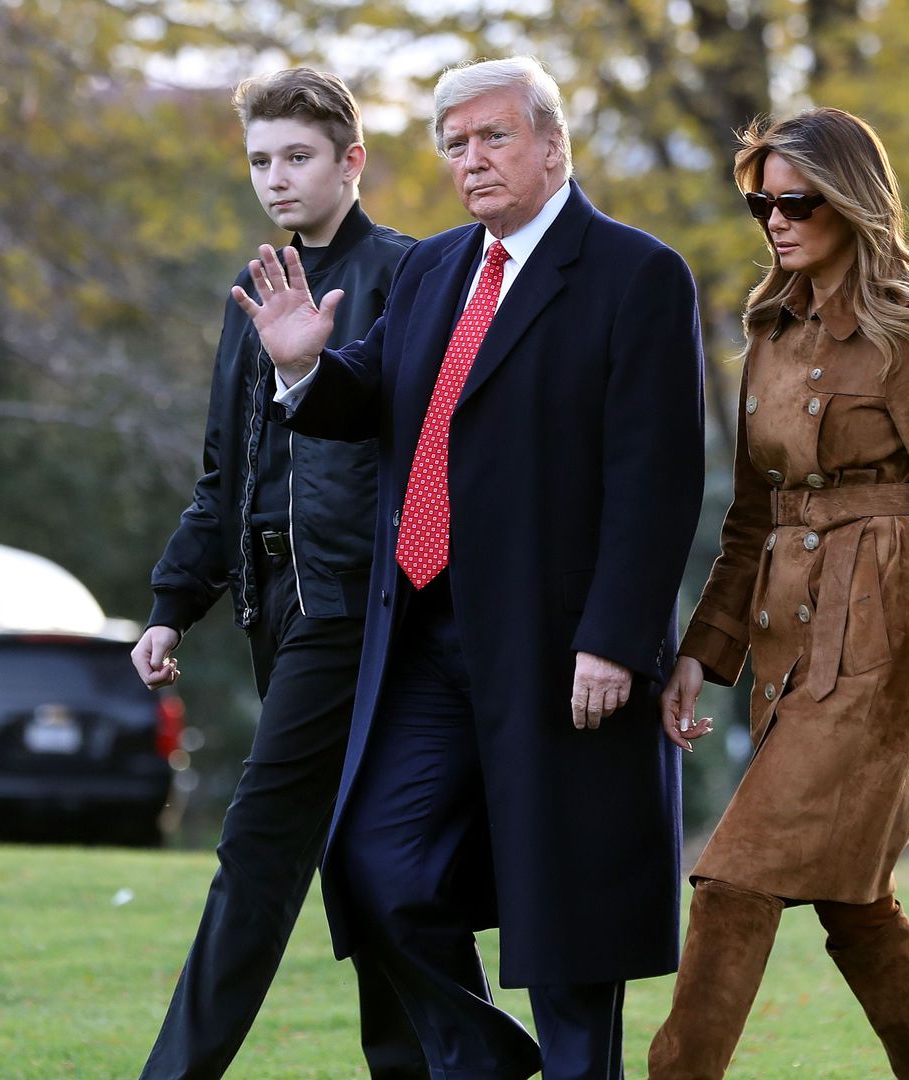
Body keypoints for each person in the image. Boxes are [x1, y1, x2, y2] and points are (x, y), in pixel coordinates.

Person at [232, 56, 705, 1080]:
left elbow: (657, 479)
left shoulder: (637, 274)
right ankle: (482, 1060)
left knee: (573, 924)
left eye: (494, 137)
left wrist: (618, 639)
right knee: (374, 866)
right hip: (427, 636)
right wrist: (303, 363)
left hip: (563, 643)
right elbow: (369, 398)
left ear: (551, 143)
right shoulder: (438, 268)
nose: (473, 160)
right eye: (455, 144)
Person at [644, 108, 909, 1080]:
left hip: (888, 642)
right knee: (852, 897)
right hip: (793, 637)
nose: (776, 220)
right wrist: (701, 654)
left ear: (852, 203)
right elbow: (750, 520)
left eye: (798, 201)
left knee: (734, 877)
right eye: (761, 202)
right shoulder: (767, 336)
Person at [132, 67, 425, 1080]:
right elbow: (228, 475)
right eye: (259, 160)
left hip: (363, 611)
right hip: (278, 610)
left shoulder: (409, 274)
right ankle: (441, 1062)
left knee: (256, 854)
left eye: (296, 156)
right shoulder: (251, 294)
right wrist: (174, 605)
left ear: (352, 160)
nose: (275, 178)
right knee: (370, 864)